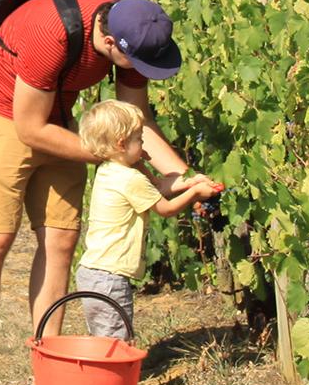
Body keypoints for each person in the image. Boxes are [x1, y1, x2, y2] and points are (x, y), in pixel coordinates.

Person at [0, 0, 193, 385]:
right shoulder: (51, 31)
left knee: (62, 239)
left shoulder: (132, 33)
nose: (140, 71)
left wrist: (181, 175)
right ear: (107, 43)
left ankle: (46, 362)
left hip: (57, 117)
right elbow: (29, 128)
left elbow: (137, 121)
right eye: (136, 63)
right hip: (0, 112)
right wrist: (114, 155)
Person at [73, 100, 222, 340]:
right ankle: (116, 377)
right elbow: (165, 208)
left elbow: (156, 186)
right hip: (110, 277)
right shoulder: (130, 179)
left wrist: (190, 181)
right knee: (116, 341)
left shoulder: (109, 170)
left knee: (103, 335)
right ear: (122, 144)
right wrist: (194, 193)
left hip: (92, 272)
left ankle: (103, 375)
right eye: (140, 139)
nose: (144, 146)